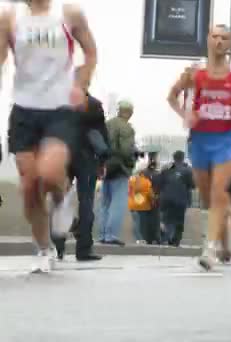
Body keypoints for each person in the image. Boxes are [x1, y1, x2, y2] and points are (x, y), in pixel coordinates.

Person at [2, 0, 97, 272]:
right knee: (29, 186)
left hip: (60, 109)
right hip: (24, 110)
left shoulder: (69, 14)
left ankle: (62, 197)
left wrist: (82, 84)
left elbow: (90, 53)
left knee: (51, 172)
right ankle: (45, 249)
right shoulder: (10, 18)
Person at [167, 24, 231, 271]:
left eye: (224, 38)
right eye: (214, 37)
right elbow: (172, 96)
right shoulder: (194, 72)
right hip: (199, 140)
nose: (218, 41)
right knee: (208, 198)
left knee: (219, 194)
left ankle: (209, 248)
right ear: (208, 40)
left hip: (226, 140)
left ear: (229, 44)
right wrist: (185, 115)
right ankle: (222, 240)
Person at [52, 81, 108, 261]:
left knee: (60, 201)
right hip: (86, 158)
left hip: (63, 157)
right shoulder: (93, 105)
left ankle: (57, 247)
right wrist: (102, 162)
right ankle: (83, 250)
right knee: (86, 203)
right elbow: (102, 134)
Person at [101, 100, 136, 246]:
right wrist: (132, 160)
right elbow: (127, 150)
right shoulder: (127, 128)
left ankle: (103, 234)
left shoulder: (107, 124)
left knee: (105, 203)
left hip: (106, 167)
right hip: (120, 168)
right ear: (128, 112)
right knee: (118, 203)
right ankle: (111, 235)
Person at [158, 150, 194, 247]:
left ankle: (165, 238)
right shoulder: (187, 170)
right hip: (181, 200)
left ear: (173, 158)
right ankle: (175, 241)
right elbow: (192, 185)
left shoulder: (166, 169)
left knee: (166, 219)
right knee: (179, 220)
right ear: (183, 158)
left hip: (166, 199)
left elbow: (160, 183)